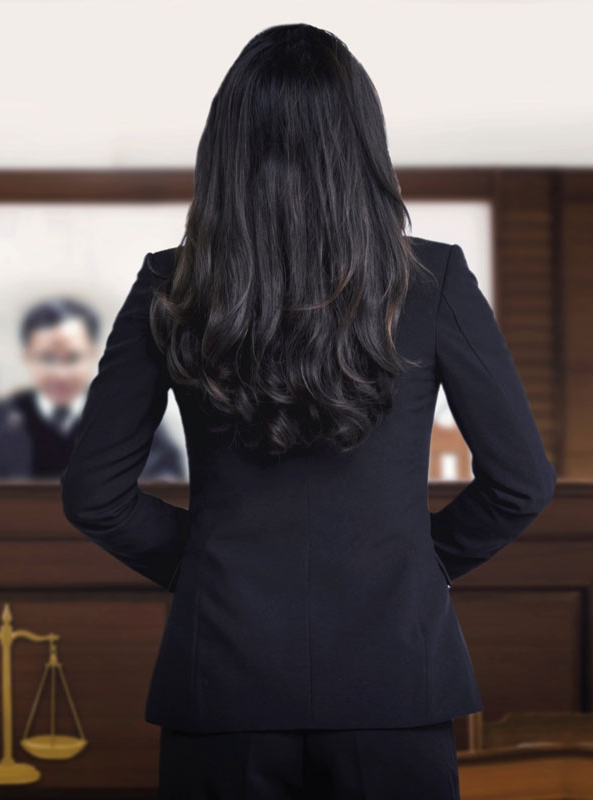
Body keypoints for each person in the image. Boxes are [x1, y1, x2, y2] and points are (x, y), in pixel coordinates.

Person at [60, 23, 557, 799]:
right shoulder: (434, 283)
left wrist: (203, 566)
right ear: (360, 139)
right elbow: (522, 481)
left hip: (221, 682)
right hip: (397, 682)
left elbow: (95, 494)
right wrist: (417, 566)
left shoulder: (171, 284)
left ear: (226, 144)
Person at [0, 296, 184, 481]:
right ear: (27, 357)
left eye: (72, 358)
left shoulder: (131, 420)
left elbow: (166, 483)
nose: (60, 373)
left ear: (94, 355)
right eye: (47, 358)